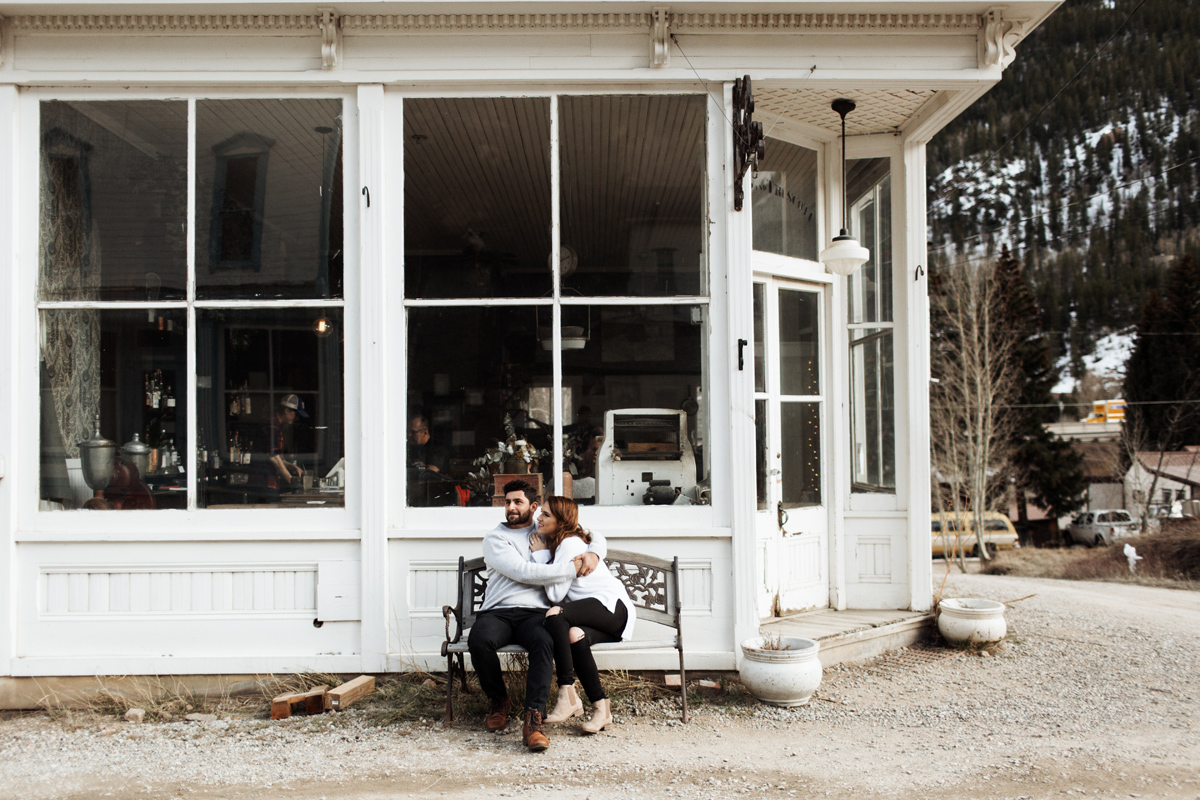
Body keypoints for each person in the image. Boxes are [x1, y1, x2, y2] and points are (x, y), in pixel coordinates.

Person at [467, 479, 605, 752]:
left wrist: (594, 554)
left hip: (534, 612)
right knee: (479, 640)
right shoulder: (495, 538)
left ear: (533, 506)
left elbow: (591, 533)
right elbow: (523, 572)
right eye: (507, 502)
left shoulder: (544, 526)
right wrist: (570, 569)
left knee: (544, 642)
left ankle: (534, 719)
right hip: (498, 611)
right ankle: (498, 700)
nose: (510, 507)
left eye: (517, 502)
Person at [531, 495, 634, 734]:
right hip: (608, 613)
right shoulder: (566, 542)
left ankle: (567, 692)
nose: (539, 518)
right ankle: (601, 708)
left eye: (546, 515)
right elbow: (594, 535)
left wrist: (542, 557)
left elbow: (555, 595)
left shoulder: (569, 544)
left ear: (561, 520)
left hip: (610, 606)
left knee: (555, 615)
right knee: (574, 635)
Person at [265, 394, 306, 491]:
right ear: (286, 410)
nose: (297, 418)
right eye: (295, 414)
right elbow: (274, 459)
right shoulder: (272, 426)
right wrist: (293, 482)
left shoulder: (278, 427)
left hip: (272, 482)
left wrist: (293, 467)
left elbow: (278, 457)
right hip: (265, 483)